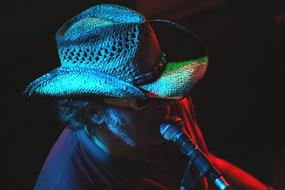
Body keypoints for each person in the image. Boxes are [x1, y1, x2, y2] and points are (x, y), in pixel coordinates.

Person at [24, 4, 273, 190]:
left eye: (165, 89)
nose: (165, 105)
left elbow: (207, 165)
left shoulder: (170, 106)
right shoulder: (69, 182)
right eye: (143, 99)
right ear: (94, 112)